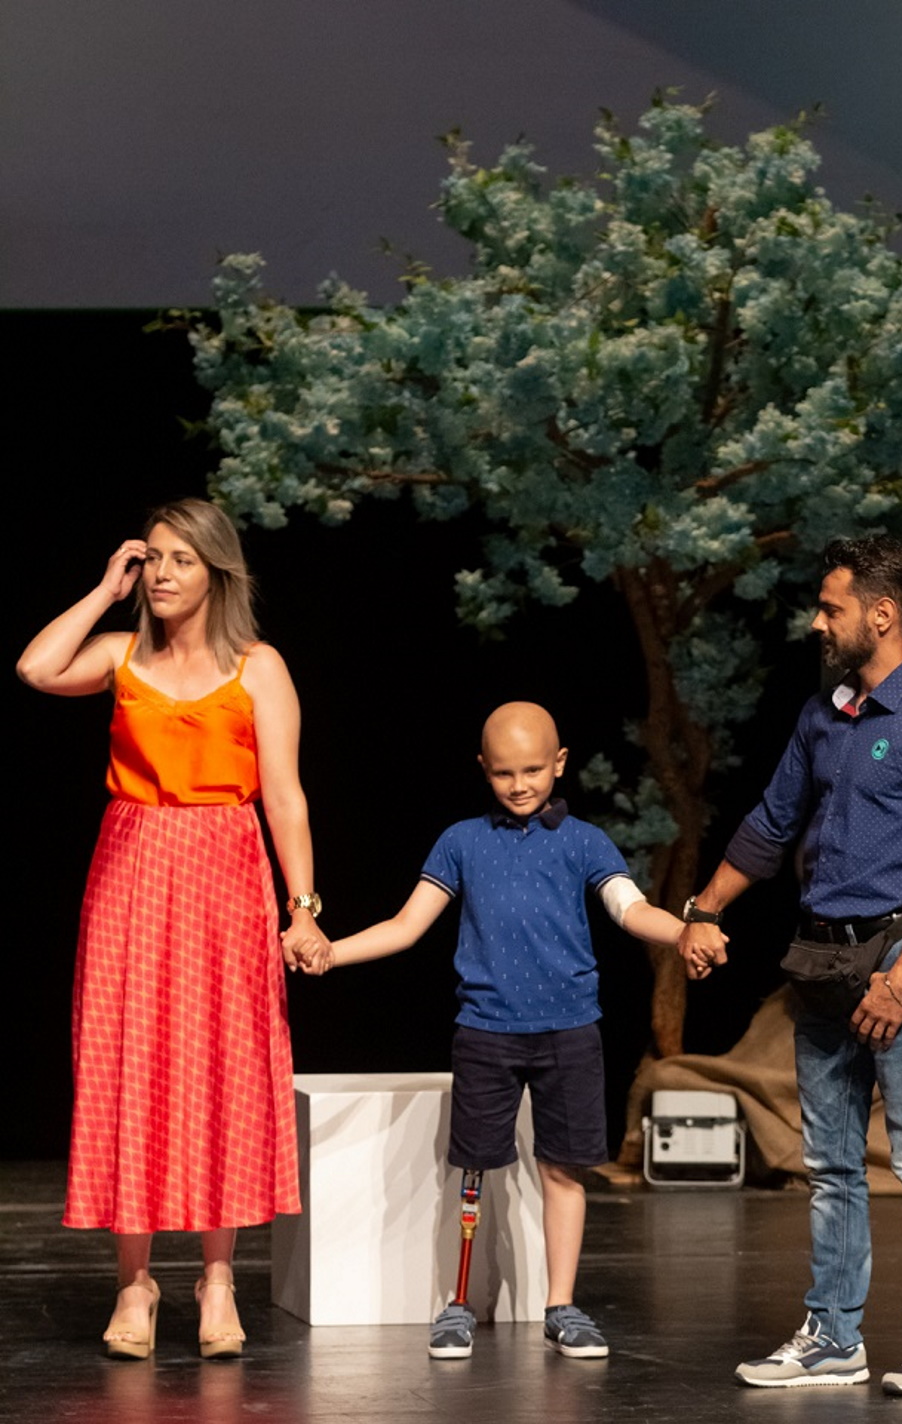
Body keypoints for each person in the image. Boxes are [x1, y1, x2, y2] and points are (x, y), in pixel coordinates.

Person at [17, 500, 330, 1359]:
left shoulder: (258, 666)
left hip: (225, 871)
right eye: (152, 557)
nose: (160, 573)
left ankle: (216, 1278)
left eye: (180, 559)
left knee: (221, 1064)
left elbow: (286, 798)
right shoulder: (122, 656)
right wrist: (102, 589)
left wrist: (302, 907)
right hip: (132, 867)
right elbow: (36, 667)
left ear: (216, 572)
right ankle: (136, 1281)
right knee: (129, 1062)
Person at [677, 536, 902, 1396]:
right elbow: (770, 824)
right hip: (820, 960)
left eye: (831, 608)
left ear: (881, 615)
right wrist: (705, 907)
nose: (818, 623)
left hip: (897, 965)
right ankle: (834, 1336)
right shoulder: (824, 715)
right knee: (832, 1165)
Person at [305, 701, 689, 1361]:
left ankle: (561, 1305)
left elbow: (630, 909)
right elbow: (406, 925)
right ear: (483, 768)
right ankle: (458, 1302)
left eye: (533, 770)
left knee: (564, 1168)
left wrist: (685, 933)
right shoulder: (462, 841)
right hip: (487, 1030)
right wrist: (331, 953)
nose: (519, 785)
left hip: (570, 1030)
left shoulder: (584, 840)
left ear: (559, 763)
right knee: (474, 1166)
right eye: (504, 772)